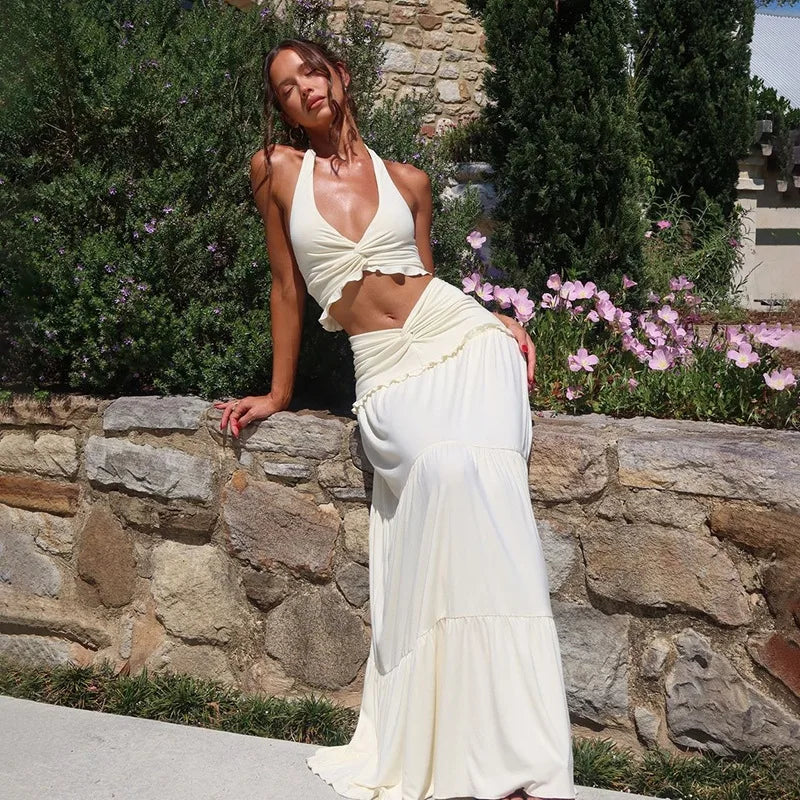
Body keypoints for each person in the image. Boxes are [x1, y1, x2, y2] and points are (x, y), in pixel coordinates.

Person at [213, 37, 576, 800]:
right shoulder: (276, 170)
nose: (303, 90)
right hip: (385, 367)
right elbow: (286, 288)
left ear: (340, 75)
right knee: (444, 472)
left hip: (460, 340)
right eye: (285, 89)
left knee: (488, 485)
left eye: (311, 72)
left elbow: (427, 282)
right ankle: (457, 737)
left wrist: (491, 322)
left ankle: (519, 755)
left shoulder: (409, 181)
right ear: (283, 111)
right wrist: (278, 394)